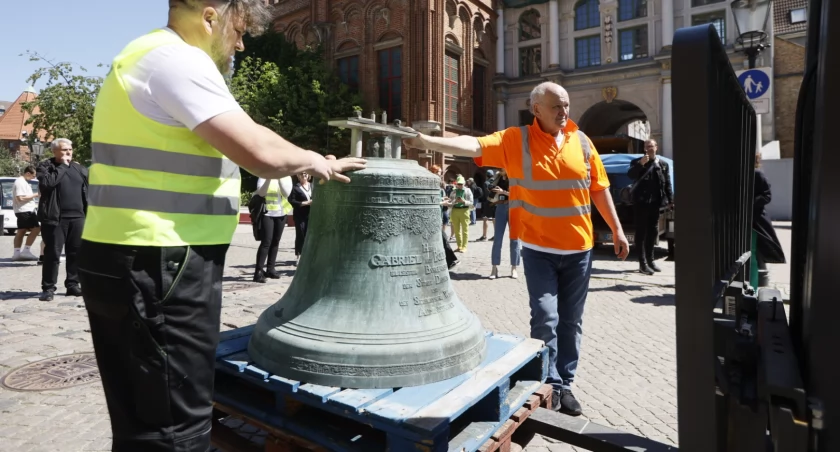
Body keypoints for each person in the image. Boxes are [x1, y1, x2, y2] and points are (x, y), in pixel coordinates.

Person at [77, 2, 366, 451]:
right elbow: (258, 149)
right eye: (240, 28)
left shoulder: (144, 54)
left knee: (144, 421)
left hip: (134, 256)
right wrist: (316, 161)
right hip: (163, 264)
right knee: (176, 429)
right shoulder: (179, 60)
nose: (242, 42)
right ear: (211, 16)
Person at [405, 81, 628, 416]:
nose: (563, 112)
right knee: (546, 317)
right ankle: (549, 383)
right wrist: (427, 140)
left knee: (572, 322)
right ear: (535, 108)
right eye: (556, 106)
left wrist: (617, 229)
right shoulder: (515, 140)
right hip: (539, 251)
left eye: (566, 106)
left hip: (580, 251)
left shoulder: (581, 141)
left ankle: (565, 384)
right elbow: (472, 144)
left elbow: (599, 189)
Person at [36, 139, 88, 301]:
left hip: (78, 217)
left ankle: (72, 285)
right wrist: (63, 166)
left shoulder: (79, 168)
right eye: (64, 150)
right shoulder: (46, 167)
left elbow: (89, 189)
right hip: (55, 218)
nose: (68, 152)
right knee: (53, 254)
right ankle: (48, 288)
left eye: (70, 149)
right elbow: (48, 183)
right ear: (54, 151)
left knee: (76, 253)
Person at [627, 139, 673, 275]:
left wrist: (670, 200)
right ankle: (642, 263)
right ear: (644, 148)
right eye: (646, 146)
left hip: (655, 203)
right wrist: (640, 164)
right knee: (641, 232)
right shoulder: (637, 162)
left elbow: (667, 183)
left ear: (656, 147)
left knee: (653, 232)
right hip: (641, 203)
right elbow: (630, 175)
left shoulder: (663, 164)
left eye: (651, 146)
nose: (649, 148)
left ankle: (650, 260)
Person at [253, 176, 293, 282]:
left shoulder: (286, 176)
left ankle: (270, 269)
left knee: (276, 242)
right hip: (267, 213)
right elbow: (261, 193)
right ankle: (258, 272)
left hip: (281, 213)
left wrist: (279, 177)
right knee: (266, 242)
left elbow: (286, 193)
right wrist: (269, 177)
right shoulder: (264, 175)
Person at [753, 152, 785, 286]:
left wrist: (751, 202)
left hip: (757, 220)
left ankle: (761, 284)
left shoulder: (758, 174)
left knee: (758, 252)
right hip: (745, 221)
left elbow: (767, 195)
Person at [487, 168, 521, 279]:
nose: (500, 168)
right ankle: (494, 268)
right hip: (500, 207)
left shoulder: (516, 176)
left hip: (514, 207)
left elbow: (519, 194)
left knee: (515, 239)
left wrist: (503, 192)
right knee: (497, 238)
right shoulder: (498, 177)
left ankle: (514, 268)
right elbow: (491, 188)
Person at [11, 166, 41, 262]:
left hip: (22, 210)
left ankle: (16, 253)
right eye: (33, 175)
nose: (34, 178)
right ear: (28, 173)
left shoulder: (22, 182)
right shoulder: (20, 182)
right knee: (37, 228)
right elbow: (20, 198)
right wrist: (36, 195)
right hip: (25, 210)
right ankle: (26, 250)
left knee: (21, 231)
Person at [289, 172, 313, 261]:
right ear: (298, 176)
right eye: (302, 174)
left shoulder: (313, 186)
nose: (304, 175)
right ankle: (299, 255)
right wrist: (305, 203)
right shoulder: (295, 188)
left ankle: (309, 255)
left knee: (309, 235)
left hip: (311, 215)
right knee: (301, 234)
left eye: (306, 173)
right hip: (300, 215)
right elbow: (292, 201)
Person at [449, 175, 473, 253]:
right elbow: (450, 202)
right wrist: (455, 201)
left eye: (461, 184)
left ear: (464, 184)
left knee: (465, 230)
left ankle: (464, 246)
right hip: (455, 210)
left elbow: (471, 202)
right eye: (458, 184)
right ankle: (459, 246)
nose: (460, 185)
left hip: (464, 210)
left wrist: (463, 201)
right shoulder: (453, 191)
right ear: (456, 184)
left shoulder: (468, 190)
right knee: (456, 230)